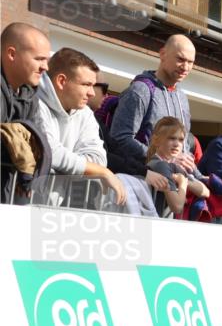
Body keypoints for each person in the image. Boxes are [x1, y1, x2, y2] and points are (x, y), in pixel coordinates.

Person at [34, 47, 126, 207]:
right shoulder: (34, 103)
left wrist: (66, 165)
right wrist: (99, 172)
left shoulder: (85, 113)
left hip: (50, 209)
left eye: (93, 85)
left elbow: (99, 159)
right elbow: (49, 151)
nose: (91, 93)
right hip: (16, 206)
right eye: (86, 84)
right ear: (61, 81)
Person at [108, 34, 197, 176]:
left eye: (191, 62)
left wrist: (200, 177)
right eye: (180, 59)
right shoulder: (140, 90)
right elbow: (119, 139)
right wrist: (165, 158)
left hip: (171, 188)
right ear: (162, 54)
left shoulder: (182, 98)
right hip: (140, 181)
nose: (185, 67)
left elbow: (183, 149)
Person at [146, 116, 209, 216]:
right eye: (171, 138)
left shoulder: (171, 166)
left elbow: (205, 192)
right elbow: (177, 206)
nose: (177, 144)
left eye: (180, 140)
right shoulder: (160, 166)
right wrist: (182, 183)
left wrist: (183, 181)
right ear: (156, 140)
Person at [1, 22, 49, 124]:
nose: (45, 67)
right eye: (39, 59)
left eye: (46, 60)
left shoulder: (30, 97)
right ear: (12, 54)